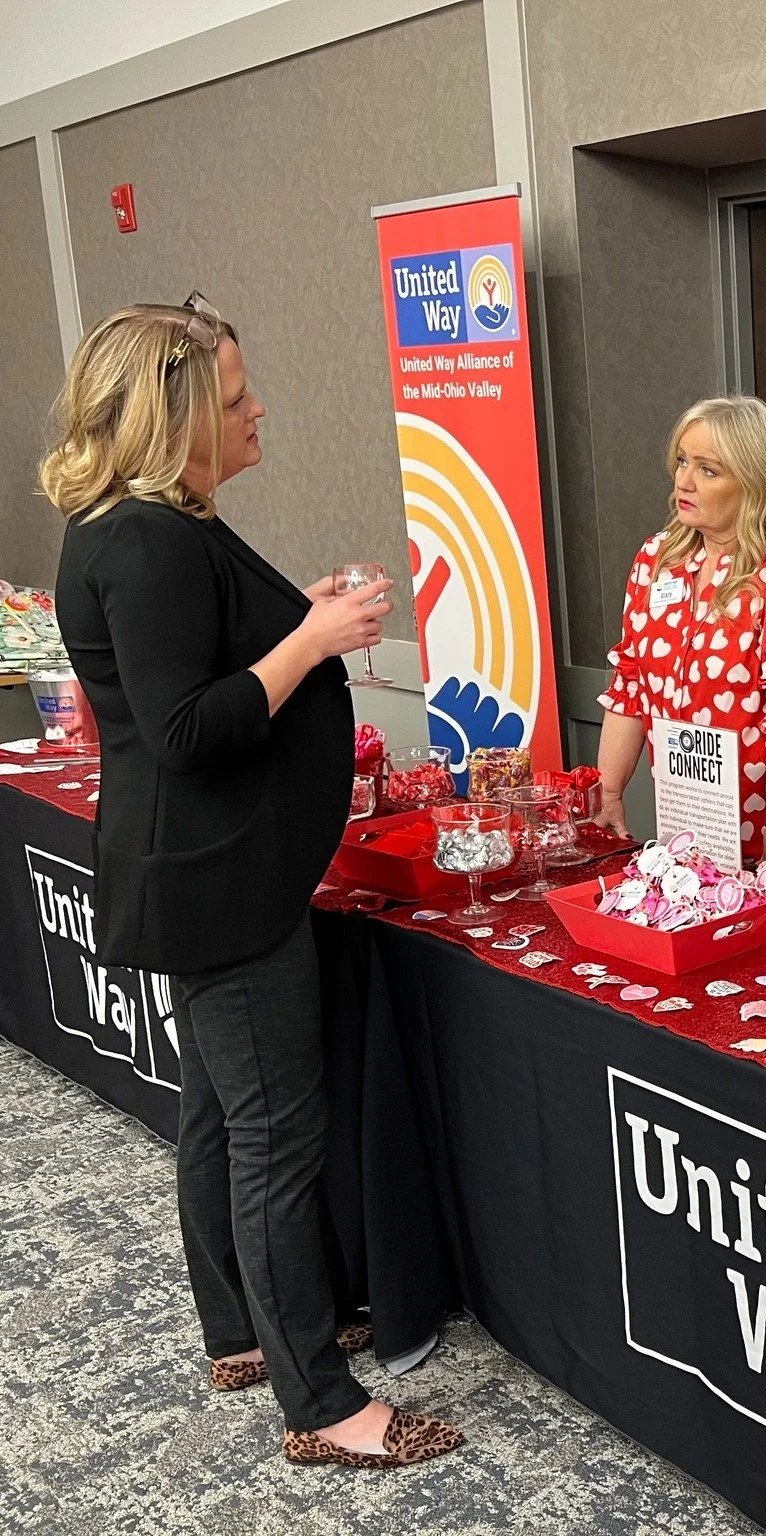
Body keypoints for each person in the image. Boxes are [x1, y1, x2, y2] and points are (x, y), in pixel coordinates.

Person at [42, 296, 461, 1469]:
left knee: (223, 1114)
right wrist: (315, 639)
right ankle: (322, 1405)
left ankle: (242, 1330)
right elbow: (187, 727)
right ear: (170, 419)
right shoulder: (149, 541)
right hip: (221, 882)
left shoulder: (142, 526)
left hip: (211, 872)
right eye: (231, 399)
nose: (256, 407)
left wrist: (304, 623)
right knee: (276, 1136)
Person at [593, 395, 766, 872]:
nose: (684, 482)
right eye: (683, 462)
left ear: (754, 482)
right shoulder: (656, 558)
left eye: (709, 470)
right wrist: (608, 794)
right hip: (695, 830)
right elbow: (631, 685)